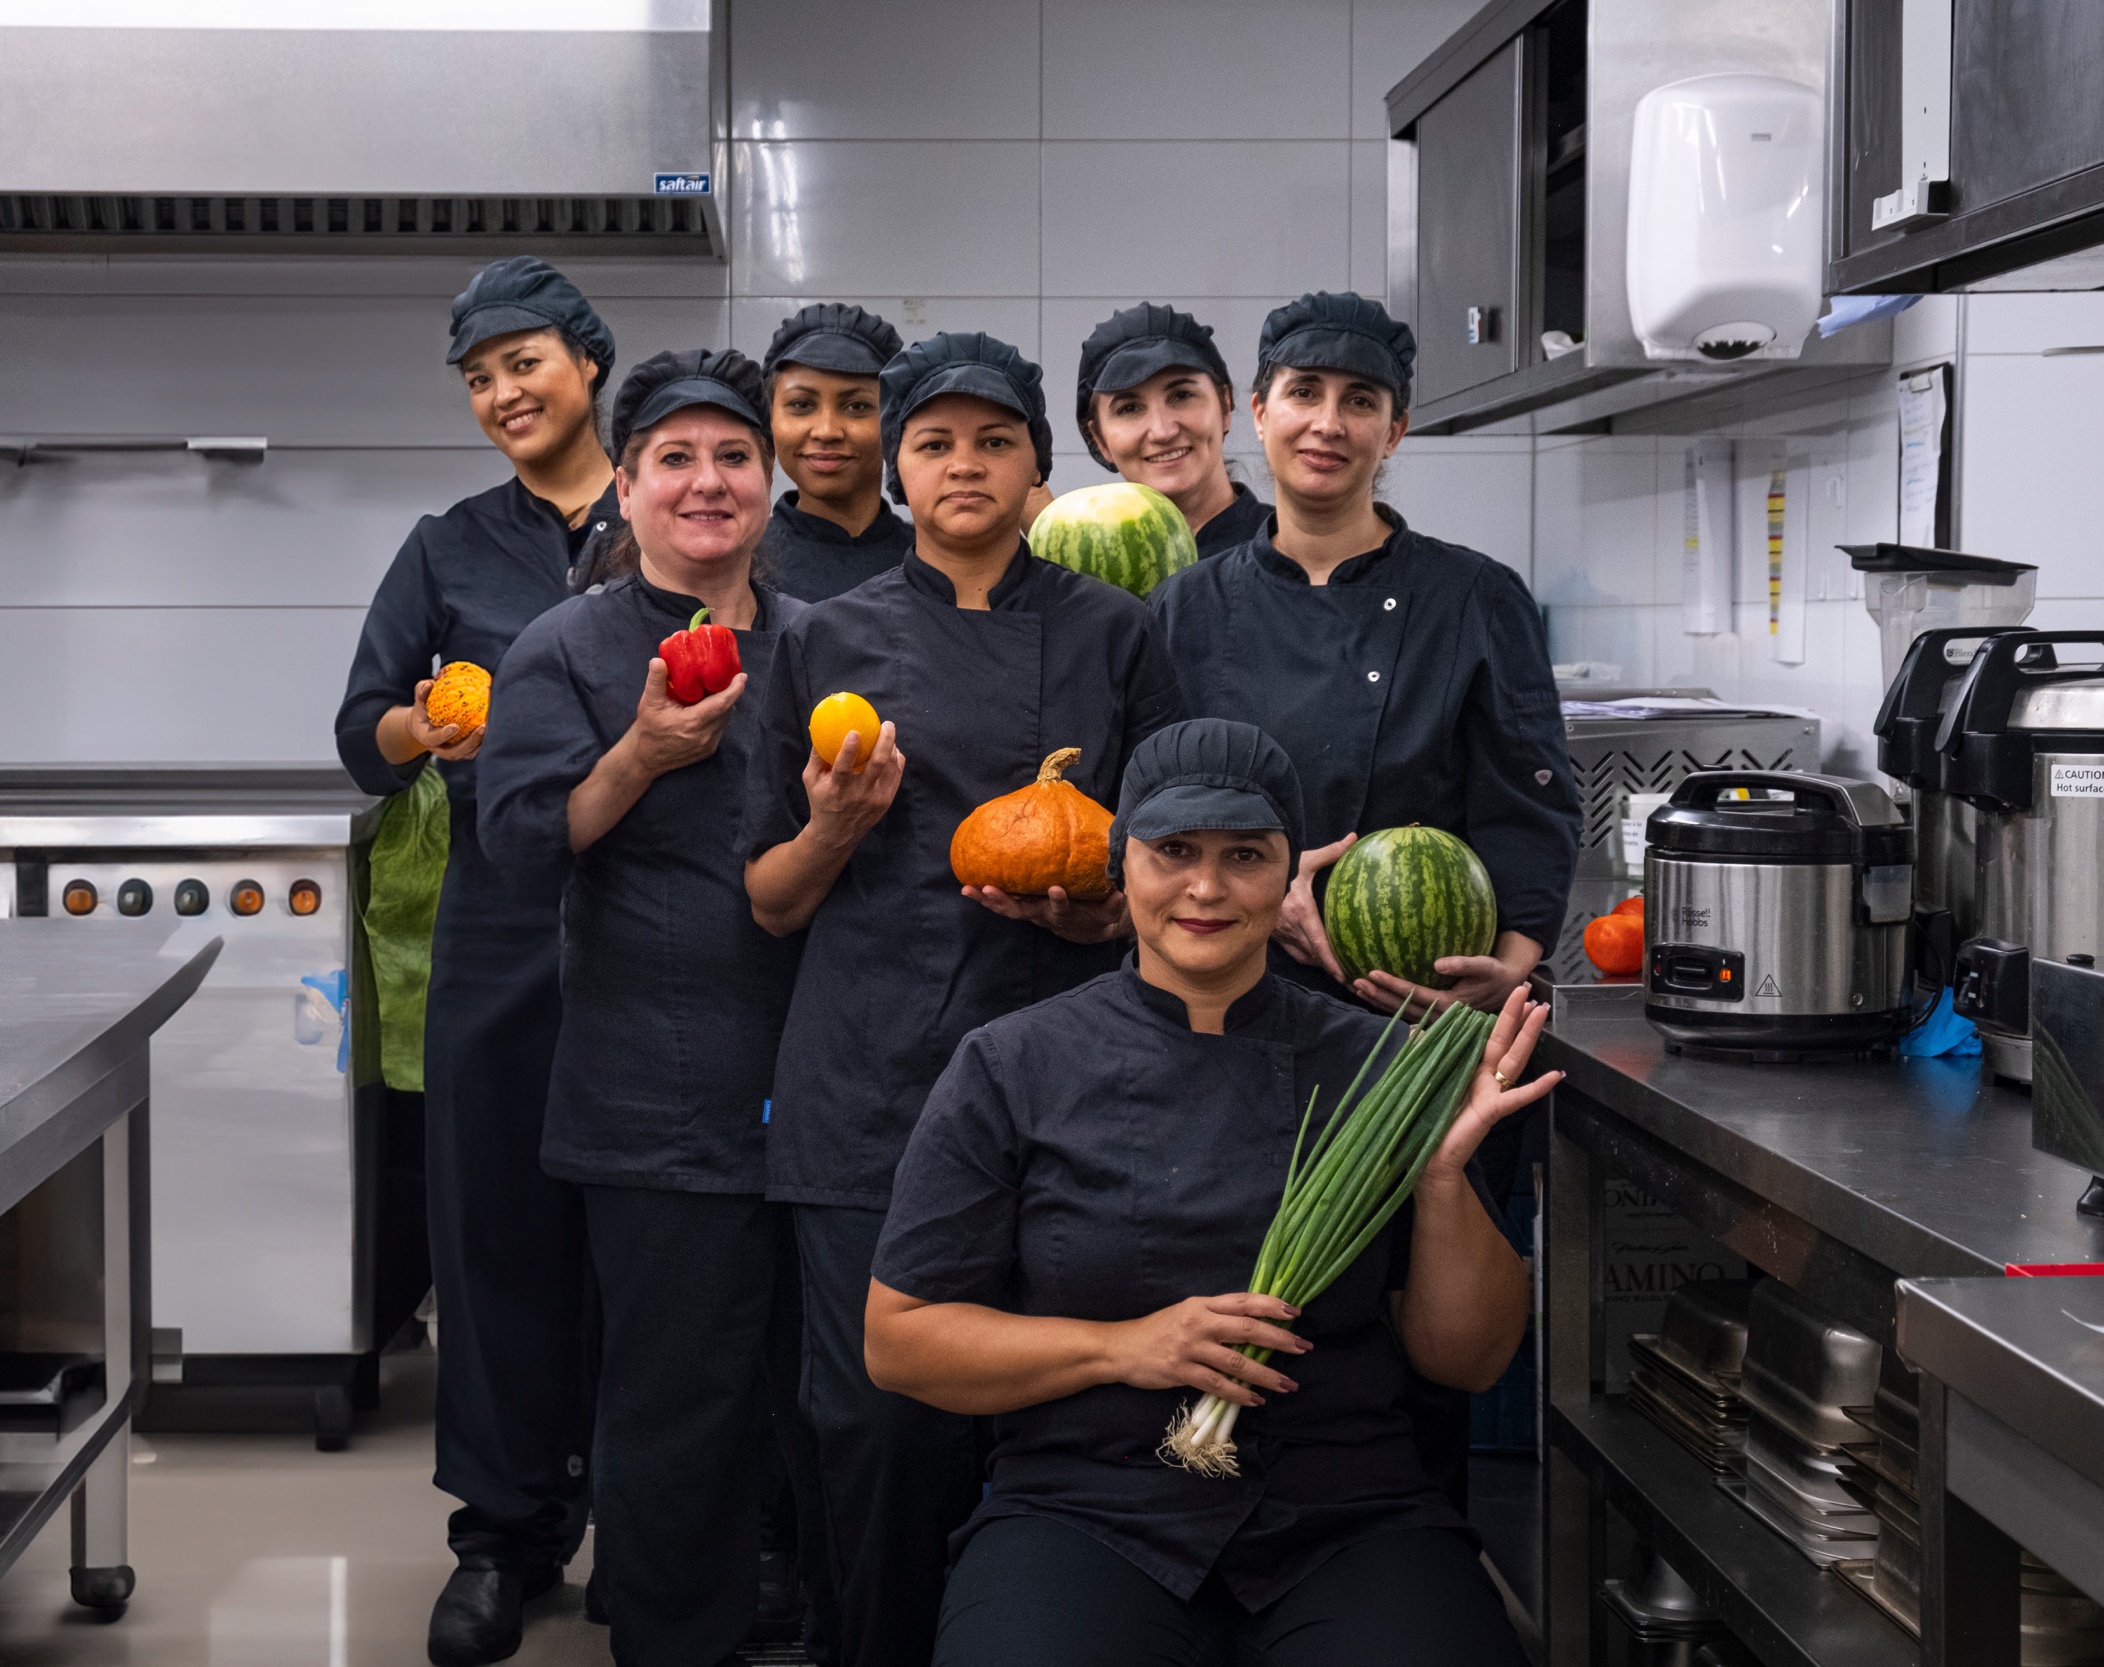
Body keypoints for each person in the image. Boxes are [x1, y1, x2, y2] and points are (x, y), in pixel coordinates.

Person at [866, 718, 1554, 1667]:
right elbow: (899, 1341)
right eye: (1174, 851)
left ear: (1288, 878)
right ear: (1123, 867)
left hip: (1346, 1507)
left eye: (1245, 855)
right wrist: (1125, 1347)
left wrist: (1438, 1173)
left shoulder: (1381, 1062)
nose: (1206, 886)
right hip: (1086, 1504)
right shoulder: (1014, 1063)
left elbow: (1471, 1360)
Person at [741, 330, 1186, 1666]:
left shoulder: (1119, 634)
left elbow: (1163, 868)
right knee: (874, 1421)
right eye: (935, 441)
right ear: (897, 465)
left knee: (1060, 1409)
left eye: (995, 439)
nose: (964, 463)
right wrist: (831, 825)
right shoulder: (822, 635)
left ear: (1039, 465)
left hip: (1068, 1081)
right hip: (866, 1079)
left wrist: (1095, 905)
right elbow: (765, 895)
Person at [479, 349, 816, 1667]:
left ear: (770, 482)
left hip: (826, 1083)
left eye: (732, 454)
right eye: (672, 457)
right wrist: (641, 753)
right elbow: (517, 844)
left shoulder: (824, 639)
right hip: (654, 1092)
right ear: (623, 487)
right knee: (679, 1402)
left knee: (806, 1393)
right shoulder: (565, 647)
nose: (706, 480)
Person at [333, 255, 619, 1666]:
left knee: (649, 1236)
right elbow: (359, 722)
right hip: (500, 918)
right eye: (480, 377)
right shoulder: (449, 545)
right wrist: (419, 733)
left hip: (659, 926)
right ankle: (503, 1530)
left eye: (526, 361)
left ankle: (645, 1513)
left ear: (587, 363)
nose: (505, 392)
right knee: (494, 1230)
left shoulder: (679, 502)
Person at [1150, 292, 1579, 1022]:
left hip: (1413, 1016)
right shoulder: (1182, 607)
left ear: (1395, 430)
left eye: (1360, 400)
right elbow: (1150, 816)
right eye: (1304, 393)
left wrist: (1506, 967)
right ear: (1258, 412)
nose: (1328, 424)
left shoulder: (1475, 597)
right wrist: (1262, 888)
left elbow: (1528, 802)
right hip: (1221, 1005)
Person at [1076, 303, 1269, 558]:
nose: (1162, 431)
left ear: (1225, 406)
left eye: (1182, 395)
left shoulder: (1291, 552)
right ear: (1099, 440)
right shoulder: (1085, 577)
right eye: (1129, 408)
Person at [759, 303, 911, 602]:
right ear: (769, 421)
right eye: (802, 405)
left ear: (894, 422)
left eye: (857, 406)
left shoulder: (933, 564)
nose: (827, 431)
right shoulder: (739, 566)